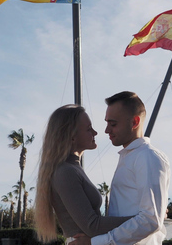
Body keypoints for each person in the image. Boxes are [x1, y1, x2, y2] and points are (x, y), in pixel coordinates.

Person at [71, 91, 171, 245]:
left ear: (134, 122)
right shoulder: (130, 157)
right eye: (107, 123)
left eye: (113, 124)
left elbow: (151, 220)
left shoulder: (147, 157)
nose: (106, 130)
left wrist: (95, 242)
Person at [35, 104, 132, 244]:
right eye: (88, 129)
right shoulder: (65, 172)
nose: (95, 133)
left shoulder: (72, 168)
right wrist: (145, 219)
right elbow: (93, 226)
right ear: (72, 137)